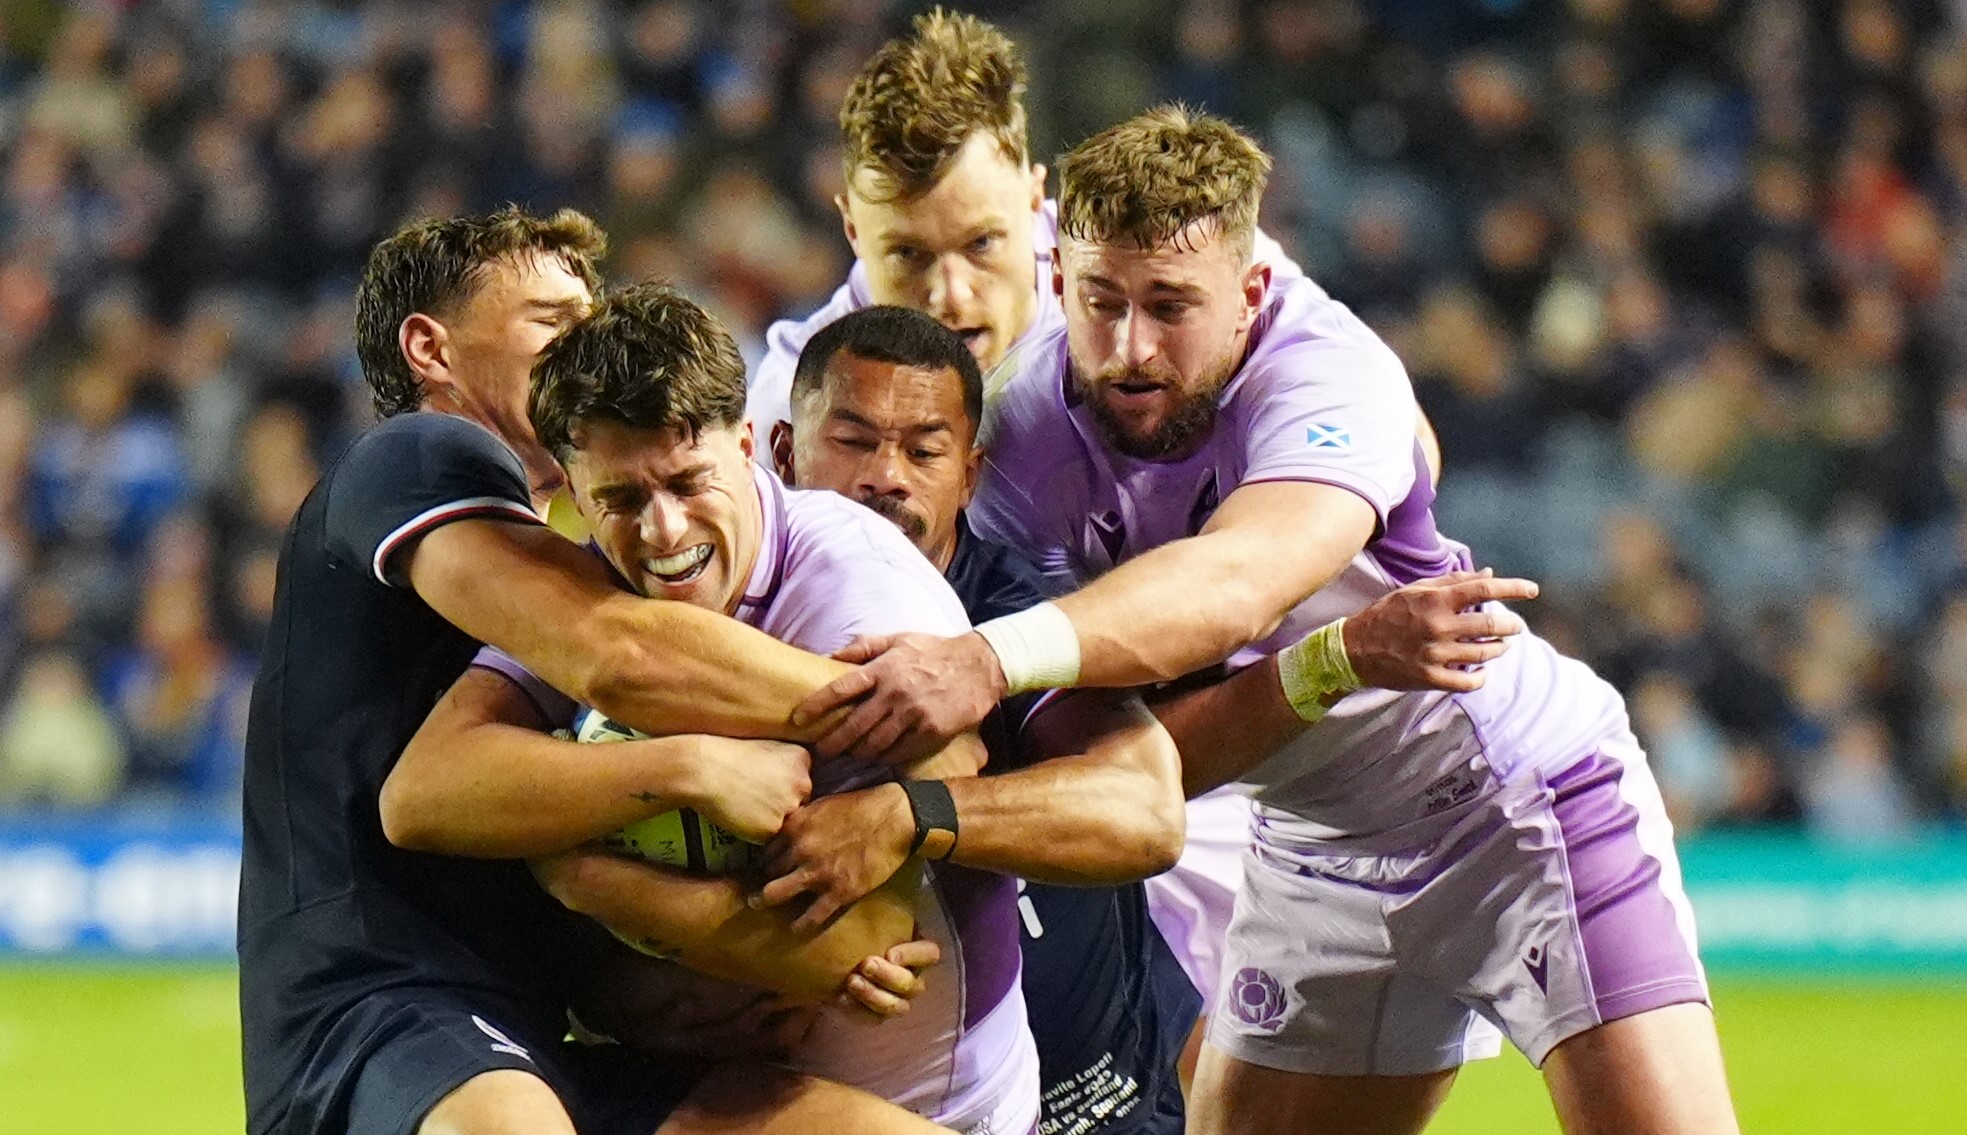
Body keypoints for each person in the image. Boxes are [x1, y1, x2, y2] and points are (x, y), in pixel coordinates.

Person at [843, 107, 1739, 1135]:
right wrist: (1337, 659)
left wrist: (986, 658)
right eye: (1101, 303)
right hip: (1308, 847)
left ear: (1250, 293)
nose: (1131, 349)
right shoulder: (1019, 437)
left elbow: (1232, 586)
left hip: (1514, 803)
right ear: (1060, 285)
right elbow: (1133, 764)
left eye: (1170, 306)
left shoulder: (1328, 374)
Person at [748, 3, 1467, 1026]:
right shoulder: (806, 405)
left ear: (1036, 207)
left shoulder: (1124, 268)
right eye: (906, 258)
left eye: (984, 244)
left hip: (1212, 755)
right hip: (989, 776)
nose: (951, 296)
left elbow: (1397, 435)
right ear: (849, 226)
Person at [238, 207, 949, 1135]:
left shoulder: (566, 546)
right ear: (431, 346)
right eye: (551, 319)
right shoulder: (414, 455)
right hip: (381, 1006)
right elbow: (621, 658)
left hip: (529, 1024)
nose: (586, 337)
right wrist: (912, 703)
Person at [393, 283, 1057, 1135]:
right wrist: (682, 769)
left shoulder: (859, 596)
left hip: (937, 1112)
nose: (665, 533)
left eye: (689, 480)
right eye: (622, 499)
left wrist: (585, 874)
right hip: (743, 1098)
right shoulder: (588, 590)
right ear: (571, 494)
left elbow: (868, 950)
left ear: (748, 447)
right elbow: (421, 794)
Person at [767, 304, 1198, 1133]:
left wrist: (912, 818)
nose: (886, 475)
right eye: (854, 440)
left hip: (1089, 1112)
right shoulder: (737, 601)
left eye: (924, 451)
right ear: (786, 451)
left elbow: (1146, 810)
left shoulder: (1016, 618)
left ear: (969, 474)